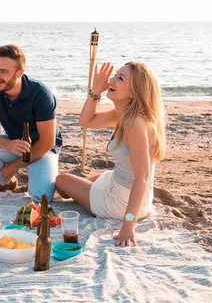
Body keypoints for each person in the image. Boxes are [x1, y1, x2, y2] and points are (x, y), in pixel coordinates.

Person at [56, 62, 167, 247]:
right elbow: (85, 121)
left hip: (121, 202)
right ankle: (89, 193)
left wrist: (128, 225)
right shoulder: (124, 114)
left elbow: (142, 177)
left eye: (120, 78)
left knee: (62, 181)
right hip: (119, 183)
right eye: (115, 76)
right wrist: (95, 91)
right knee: (84, 181)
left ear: (134, 92)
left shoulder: (135, 124)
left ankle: (92, 198)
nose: (112, 81)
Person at [0, 45, 62, 203]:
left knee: (41, 198)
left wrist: (15, 166)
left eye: (4, 71)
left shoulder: (41, 93)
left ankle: (32, 174)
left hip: (42, 150)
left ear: (19, 73)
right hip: (15, 145)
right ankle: (6, 182)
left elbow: (48, 142)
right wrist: (6, 144)